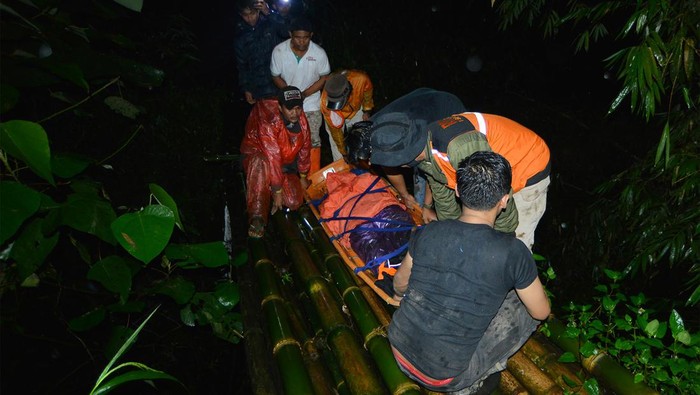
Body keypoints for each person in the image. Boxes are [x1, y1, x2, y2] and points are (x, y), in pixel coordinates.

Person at [388, 151, 551, 395]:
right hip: (445, 375)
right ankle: (473, 382)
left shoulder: (429, 231)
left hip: (398, 348)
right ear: (504, 200)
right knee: (526, 309)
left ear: (457, 192)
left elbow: (400, 284)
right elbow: (541, 312)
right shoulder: (512, 252)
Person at [369, 110, 550, 249]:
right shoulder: (422, 150)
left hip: (527, 165)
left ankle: (514, 289)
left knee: (513, 245)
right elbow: (443, 191)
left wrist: (503, 240)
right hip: (493, 171)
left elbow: (496, 191)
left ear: (403, 158)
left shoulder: (458, 147)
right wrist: (452, 232)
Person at [347, 88, 466, 209]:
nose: (369, 162)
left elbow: (434, 166)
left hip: (447, 111)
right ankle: (418, 200)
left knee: (435, 172)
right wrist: (404, 194)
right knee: (414, 161)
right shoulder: (371, 131)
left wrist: (426, 205)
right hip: (421, 102)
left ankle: (424, 205)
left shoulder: (390, 133)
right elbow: (387, 163)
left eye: (367, 159)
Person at [240, 86, 311, 238]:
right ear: (280, 107)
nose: (295, 113)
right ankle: (257, 216)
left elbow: (305, 148)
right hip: (260, 156)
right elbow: (272, 155)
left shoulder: (301, 119)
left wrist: (303, 176)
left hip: (283, 163)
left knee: (293, 201)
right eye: (290, 109)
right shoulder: (269, 120)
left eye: (298, 108)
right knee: (261, 163)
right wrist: (277, 190)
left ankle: (273, 187)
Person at [270, 16, 330, 174]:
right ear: (291, 34)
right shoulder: (279, 51)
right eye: (298, 37)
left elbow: (324, 77)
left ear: (311, 35)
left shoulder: (319, 53)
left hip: (311, 103)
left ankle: (312, 177)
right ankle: (288, 176)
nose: (302, 42)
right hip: (288, 104)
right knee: (287, 139)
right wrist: (290, 93)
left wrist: (304, 94)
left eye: (306, 38)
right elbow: (275, 75)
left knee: (313, 140)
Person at [234, 0, 288, 105]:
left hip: (282, 82)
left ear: (258, 11)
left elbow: (286, 31)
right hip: (259, 89)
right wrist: (247, 88)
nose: (250, 18)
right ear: (241, 15)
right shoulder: (240, 35)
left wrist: (269, 12)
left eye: (252, 13)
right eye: (245, 15)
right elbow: (242, 65)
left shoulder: (271, 22)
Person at [320, 69, 375, 161]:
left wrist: (367, 110)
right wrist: (344, 153)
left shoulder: (361, 79)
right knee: (335, 142)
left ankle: (363, 163)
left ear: (348, 91)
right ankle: (340, 165)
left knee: (361, 136)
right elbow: (336, 132)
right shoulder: (325, 104)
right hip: (336, 114)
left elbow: (368, 91)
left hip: (356, 108)